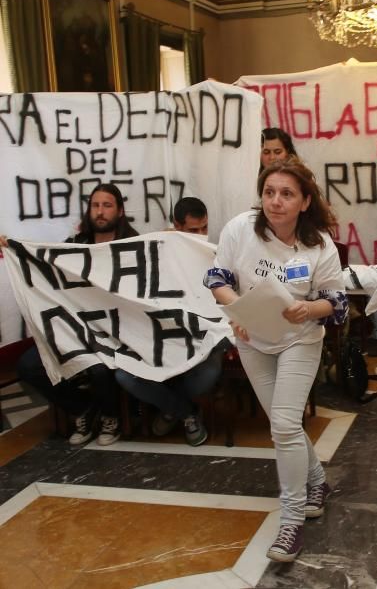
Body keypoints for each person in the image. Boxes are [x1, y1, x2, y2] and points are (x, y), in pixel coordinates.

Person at [205, 159, 348, 562]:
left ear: (304, 202)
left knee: (284, 425)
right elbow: (217, 279)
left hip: (300, 340)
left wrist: (308, 309)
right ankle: (317, 481)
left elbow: (337, 305)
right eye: (269, 192)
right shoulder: (239, 229)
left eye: (286, 194)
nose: (275, 201)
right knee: (282, 423)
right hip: (253, 339)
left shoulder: (320, 246)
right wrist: (240, 312)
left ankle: (291, 522)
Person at [3, 183, 138, 446]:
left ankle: (111, 417)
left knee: (99, 369)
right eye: (95, 205)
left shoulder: (132, 246)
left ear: (120, 211)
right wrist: (13, 247)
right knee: (28, 366)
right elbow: (42, 266)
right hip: (73, 330)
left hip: (115, 333)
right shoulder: (73, 246)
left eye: (107, 205)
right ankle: (83, 409)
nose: (100, 212)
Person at [116, 196, 221, 446]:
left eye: (204, 228)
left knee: (210, 372)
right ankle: (187, 413)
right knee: (125, 376)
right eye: (193, 230)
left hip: (201, 336)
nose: (200, 235)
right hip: (160, 337)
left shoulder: (214, 254)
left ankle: (171, 409)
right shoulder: (156, 251)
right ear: (176, 226)